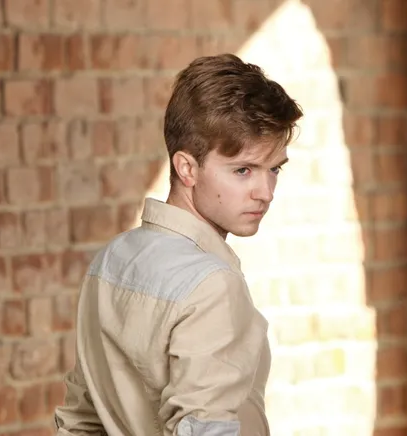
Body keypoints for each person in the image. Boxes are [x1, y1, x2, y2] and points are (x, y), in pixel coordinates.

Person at [54, 53, 303, 436]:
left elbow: (80, 422)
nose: (265, 192)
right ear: (187, 167)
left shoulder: (110, 260)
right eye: (243, 170)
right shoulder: (212, 285)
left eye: (274, 169)